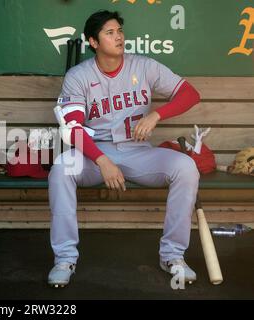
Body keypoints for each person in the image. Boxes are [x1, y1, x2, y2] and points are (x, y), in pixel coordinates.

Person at [48, 10, 201, 288]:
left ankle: (172, 256)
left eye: (119, 31)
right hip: (94, 154)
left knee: (185, 167)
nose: (118, 36)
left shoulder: (143, 66)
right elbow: (73, 128)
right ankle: (64, 258)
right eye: (109, 32)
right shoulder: (78, 76)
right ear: (93, 42)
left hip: (138, 151)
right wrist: (103, 161)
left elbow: (190, 93)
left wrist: (156, 115)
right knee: (61, 169)